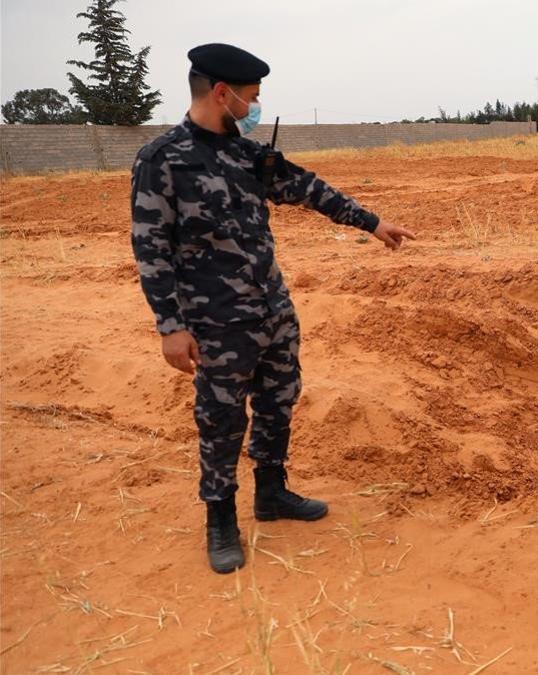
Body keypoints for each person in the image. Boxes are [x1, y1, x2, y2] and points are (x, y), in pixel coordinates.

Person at [130, 43, 416, 573]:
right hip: (215, 322)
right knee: (220, 419)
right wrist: (170, 326)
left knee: (279, 400)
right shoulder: (162, 160)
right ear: (223, 93)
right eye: (251, 97)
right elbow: (150, 248)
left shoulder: (247, 155)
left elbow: (307, 188)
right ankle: (220, 519)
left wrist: (372, 223)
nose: (254, 106)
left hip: (272, 310)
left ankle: (272, 492)